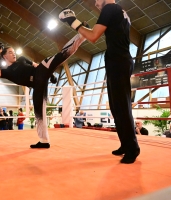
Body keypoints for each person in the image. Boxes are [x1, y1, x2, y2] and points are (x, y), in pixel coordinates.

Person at [59, 0, 140, 163]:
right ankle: (126, 144)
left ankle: (132, 148)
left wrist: (72, 21)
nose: (96, 4)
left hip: (118, 61)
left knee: (121, 106)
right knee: (117, 107)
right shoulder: (120, 11)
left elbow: (93, 36)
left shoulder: (110, 8)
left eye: (96, 0)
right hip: (118, 61)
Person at [0, 29, 86, 148]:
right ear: (4, 56)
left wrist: (51, 75)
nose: (14, 54)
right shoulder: (6, 71)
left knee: (61, 56)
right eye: (11, 52)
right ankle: (44, 141)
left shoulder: (22, 59)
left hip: (40, 72)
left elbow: (35, 65)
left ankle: (81, 36)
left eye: (14, 52)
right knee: (39, 114)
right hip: (37, 85)